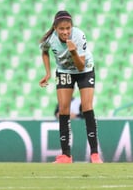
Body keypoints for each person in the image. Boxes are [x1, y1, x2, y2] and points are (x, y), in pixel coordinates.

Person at [39, 10, 102, 164]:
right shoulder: (50, 39)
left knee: (87, 107)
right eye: (61, 29)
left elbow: (80, 67)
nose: (65, 32)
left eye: (68, 28)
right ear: (55, 28)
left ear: (72, 27)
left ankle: (94, 154)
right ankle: (66, 155)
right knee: (63, 110)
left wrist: (73, 51)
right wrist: (47, 73)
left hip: (85, 70)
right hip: (64, 71)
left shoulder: (79, 36)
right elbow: (44, 51)